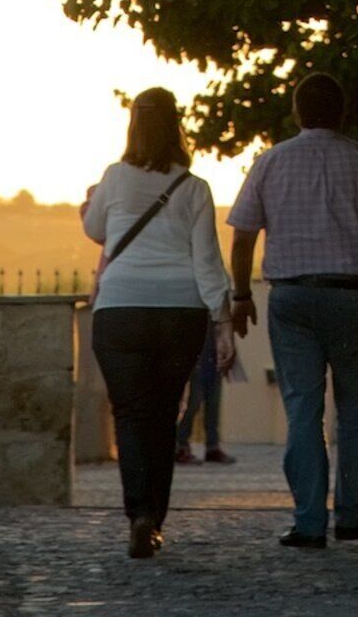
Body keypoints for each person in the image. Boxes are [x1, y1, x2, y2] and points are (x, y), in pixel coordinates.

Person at [223, 72, 358, 552]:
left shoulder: (269, 163)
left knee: (303, 407)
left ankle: (309, 521)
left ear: (297, 112)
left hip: (292, 298)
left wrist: (240, 294)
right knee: (356, 406)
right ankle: (354, 515)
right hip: (355, 297)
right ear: (342, 113)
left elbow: (241, 235)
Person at [83, 87, 230, 562]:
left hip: (120, 307)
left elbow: (96, 231)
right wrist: (223, 322)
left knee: (129, 415)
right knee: (165, 417)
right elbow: (208, 262)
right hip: (179, 311)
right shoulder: (195, 187)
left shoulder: (115, 177)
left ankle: (138, 515)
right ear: (175, 127)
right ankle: (156, 519)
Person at [175, 326, 232, 465]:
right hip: (198, 349)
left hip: (213, 348)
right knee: (194, 401)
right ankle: (180, 445)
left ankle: (212, 446)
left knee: (213, 401)